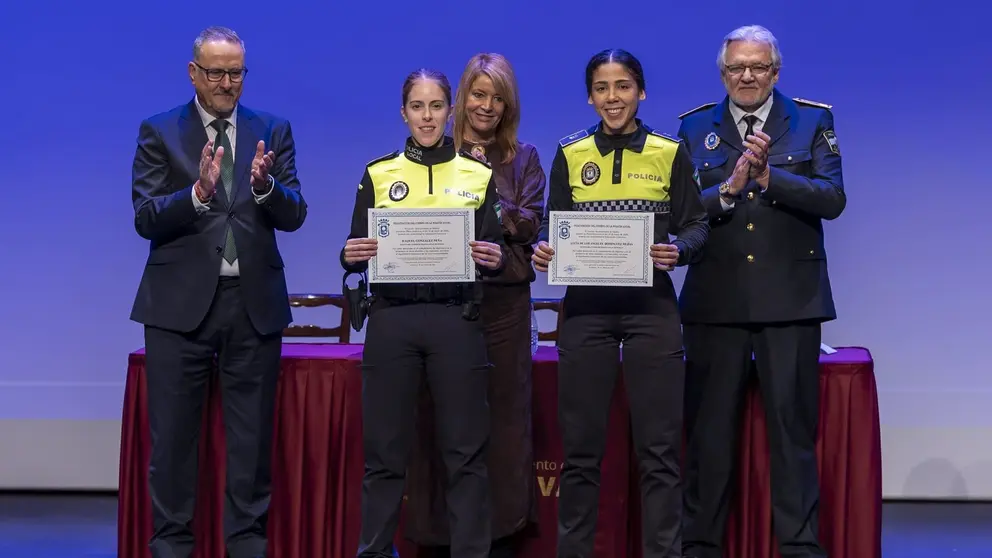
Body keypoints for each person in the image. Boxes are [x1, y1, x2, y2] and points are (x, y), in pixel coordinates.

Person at [129, 26, 307, 558]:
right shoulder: (159, 130)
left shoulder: (271, 130)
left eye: (236, 73)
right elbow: (145, 216)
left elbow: (295, 213)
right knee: (173, 444)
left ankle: (247, 546)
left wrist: (265, 188)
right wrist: (197, 193)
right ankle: (171, 546)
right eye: (216, 73)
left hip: (252, 306)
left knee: (251, 446)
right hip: (177, 307)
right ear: (193, 73)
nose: (227, 83)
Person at [531, 49, 711, 558]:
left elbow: (696, 225)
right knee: (581, 453)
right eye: (602, 88)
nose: (613, 97)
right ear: (590, 97)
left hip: (652, 311)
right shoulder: (570, 152)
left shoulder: (668, 151)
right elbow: (551, 225)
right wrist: (543, 248)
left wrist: (680, 250)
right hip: (585, 313)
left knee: (659, 453)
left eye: (623, 86)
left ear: (641, 92)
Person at [676, 24, 846, 558]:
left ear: (776, 72)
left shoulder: (812, 120)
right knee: (708, 435)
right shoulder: (693, 127)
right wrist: (727, 192)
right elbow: (680, 215)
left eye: (758, 67)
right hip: (715, 301)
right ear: (722, 73)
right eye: (736, 68)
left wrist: (773, 179)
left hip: (790, 300)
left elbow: (833, 198)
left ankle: (800, 546)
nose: (746, 76)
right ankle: (700, 544)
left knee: (792, 434)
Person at [340, 68, 507, 558]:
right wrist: (348, 255)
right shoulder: (378, 174)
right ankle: (374, 552)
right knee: (384, 455)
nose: (427, 117)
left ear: (450, 111)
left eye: (436, 106)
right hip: (392, 320)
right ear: (404, 113)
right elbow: (355, 249)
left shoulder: (478, 174)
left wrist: (494, 258)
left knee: (465, 455)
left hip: (457, 319)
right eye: (418, 107)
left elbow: (494, 249)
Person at [405, 53, 545, 558]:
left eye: (498, 97)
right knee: (440, 422)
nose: (487, 106)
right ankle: (439, 535)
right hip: (446, 304)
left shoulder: (524, 158)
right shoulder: (436, 152)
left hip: (505, 310)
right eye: (479, 94)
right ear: (462, 98)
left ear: (509, 104)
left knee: (505, 425)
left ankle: (501, 533)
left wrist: (484, 190)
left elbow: (530, 223)